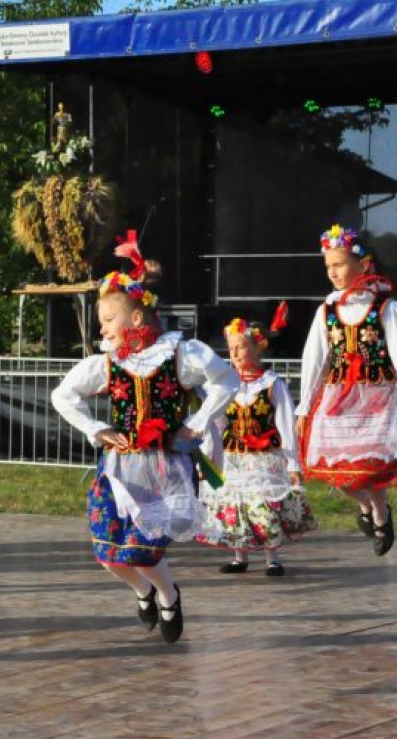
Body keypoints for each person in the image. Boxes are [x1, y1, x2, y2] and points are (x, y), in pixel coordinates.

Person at [51, 239, 238, 644]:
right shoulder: (107, 363)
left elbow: (227, 380)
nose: (102, 328)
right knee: (107, 554)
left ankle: (169, 596)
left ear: (136, 317)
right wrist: (96, 429)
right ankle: (143, 591)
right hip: (119, 469)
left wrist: (198, 422)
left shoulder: (180, 355)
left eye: (108, 319)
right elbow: (62, 395)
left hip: (163, 468)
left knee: (143, 550)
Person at [296, 225, 397, 556]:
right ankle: (369, 507)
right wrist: (304, 406)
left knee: (369, 467)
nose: (332, 272)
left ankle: (380, 514)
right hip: (338, 399)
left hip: (377, 397)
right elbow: (314, 360)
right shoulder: (326, 310)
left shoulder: (383, 305)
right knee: (331, 468)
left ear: (362, 264)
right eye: (328, 266)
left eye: (338, 264)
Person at [196, 310, 316, 576]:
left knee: (262, 505)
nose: (235, 353)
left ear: (258, 347)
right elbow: (215, 425)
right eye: (231, 349)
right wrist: (206, 458)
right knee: (235, 504)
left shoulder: (272, 384)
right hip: (232, 457)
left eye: (241, 347)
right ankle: (239, 556)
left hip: (264, 457)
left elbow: (285, 424)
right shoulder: (223, 386)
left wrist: (293, 463)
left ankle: (272, 558)